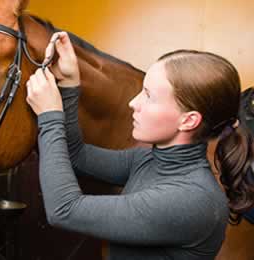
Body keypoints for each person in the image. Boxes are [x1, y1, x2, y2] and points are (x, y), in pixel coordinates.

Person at [25, 31, 254, 259]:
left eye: (149, 96)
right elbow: (76, 155)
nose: (133, 103)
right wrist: (70, 84)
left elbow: (64, 209)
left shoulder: (191, 199)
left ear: (188, 120)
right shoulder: (148, 160)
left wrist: (50, 115)